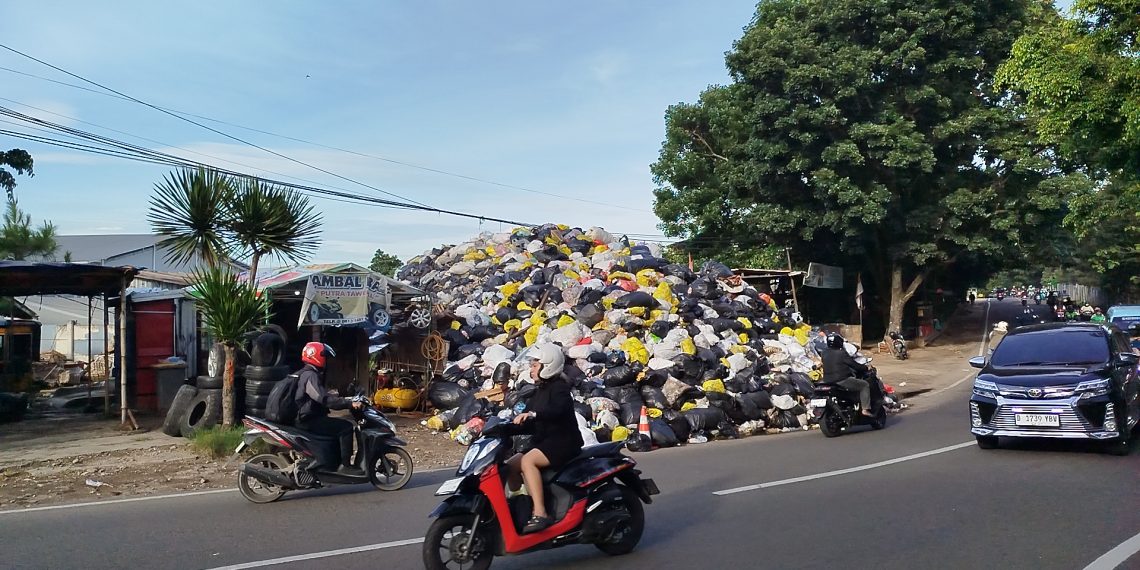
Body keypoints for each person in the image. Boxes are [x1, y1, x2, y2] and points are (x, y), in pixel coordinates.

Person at [505, 344, 584, 534]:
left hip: (563, 442)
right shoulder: (539, 390)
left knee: (528, 462)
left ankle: (541, 513)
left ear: (547, 366)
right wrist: (506, 426)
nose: (531, 370)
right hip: (544, 442)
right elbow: (529, 417)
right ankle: (521, 505)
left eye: (534, 366)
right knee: (509, 465)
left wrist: (533, 414)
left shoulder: (560, 388)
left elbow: (554, 411)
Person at [295, 341, 364, 476]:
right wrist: (349, 404)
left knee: (333, 427)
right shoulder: (310, 375)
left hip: (307, 417)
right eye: (324, 357)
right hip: (308, 420)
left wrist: (339, 397)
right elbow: (323, 399)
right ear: (316, 356)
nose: (326, 361)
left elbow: (319, 395)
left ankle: (332, 463)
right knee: (346, 427)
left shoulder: (306, 373)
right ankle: (345, 466)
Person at [821, 333, 874, 417]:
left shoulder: (824, 353)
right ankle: (865, 409)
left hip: (827, 381)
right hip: (841, 380)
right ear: (839, 342)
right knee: (864, 385)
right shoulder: (841, 353)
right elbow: (854, 365)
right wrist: (865, 368)